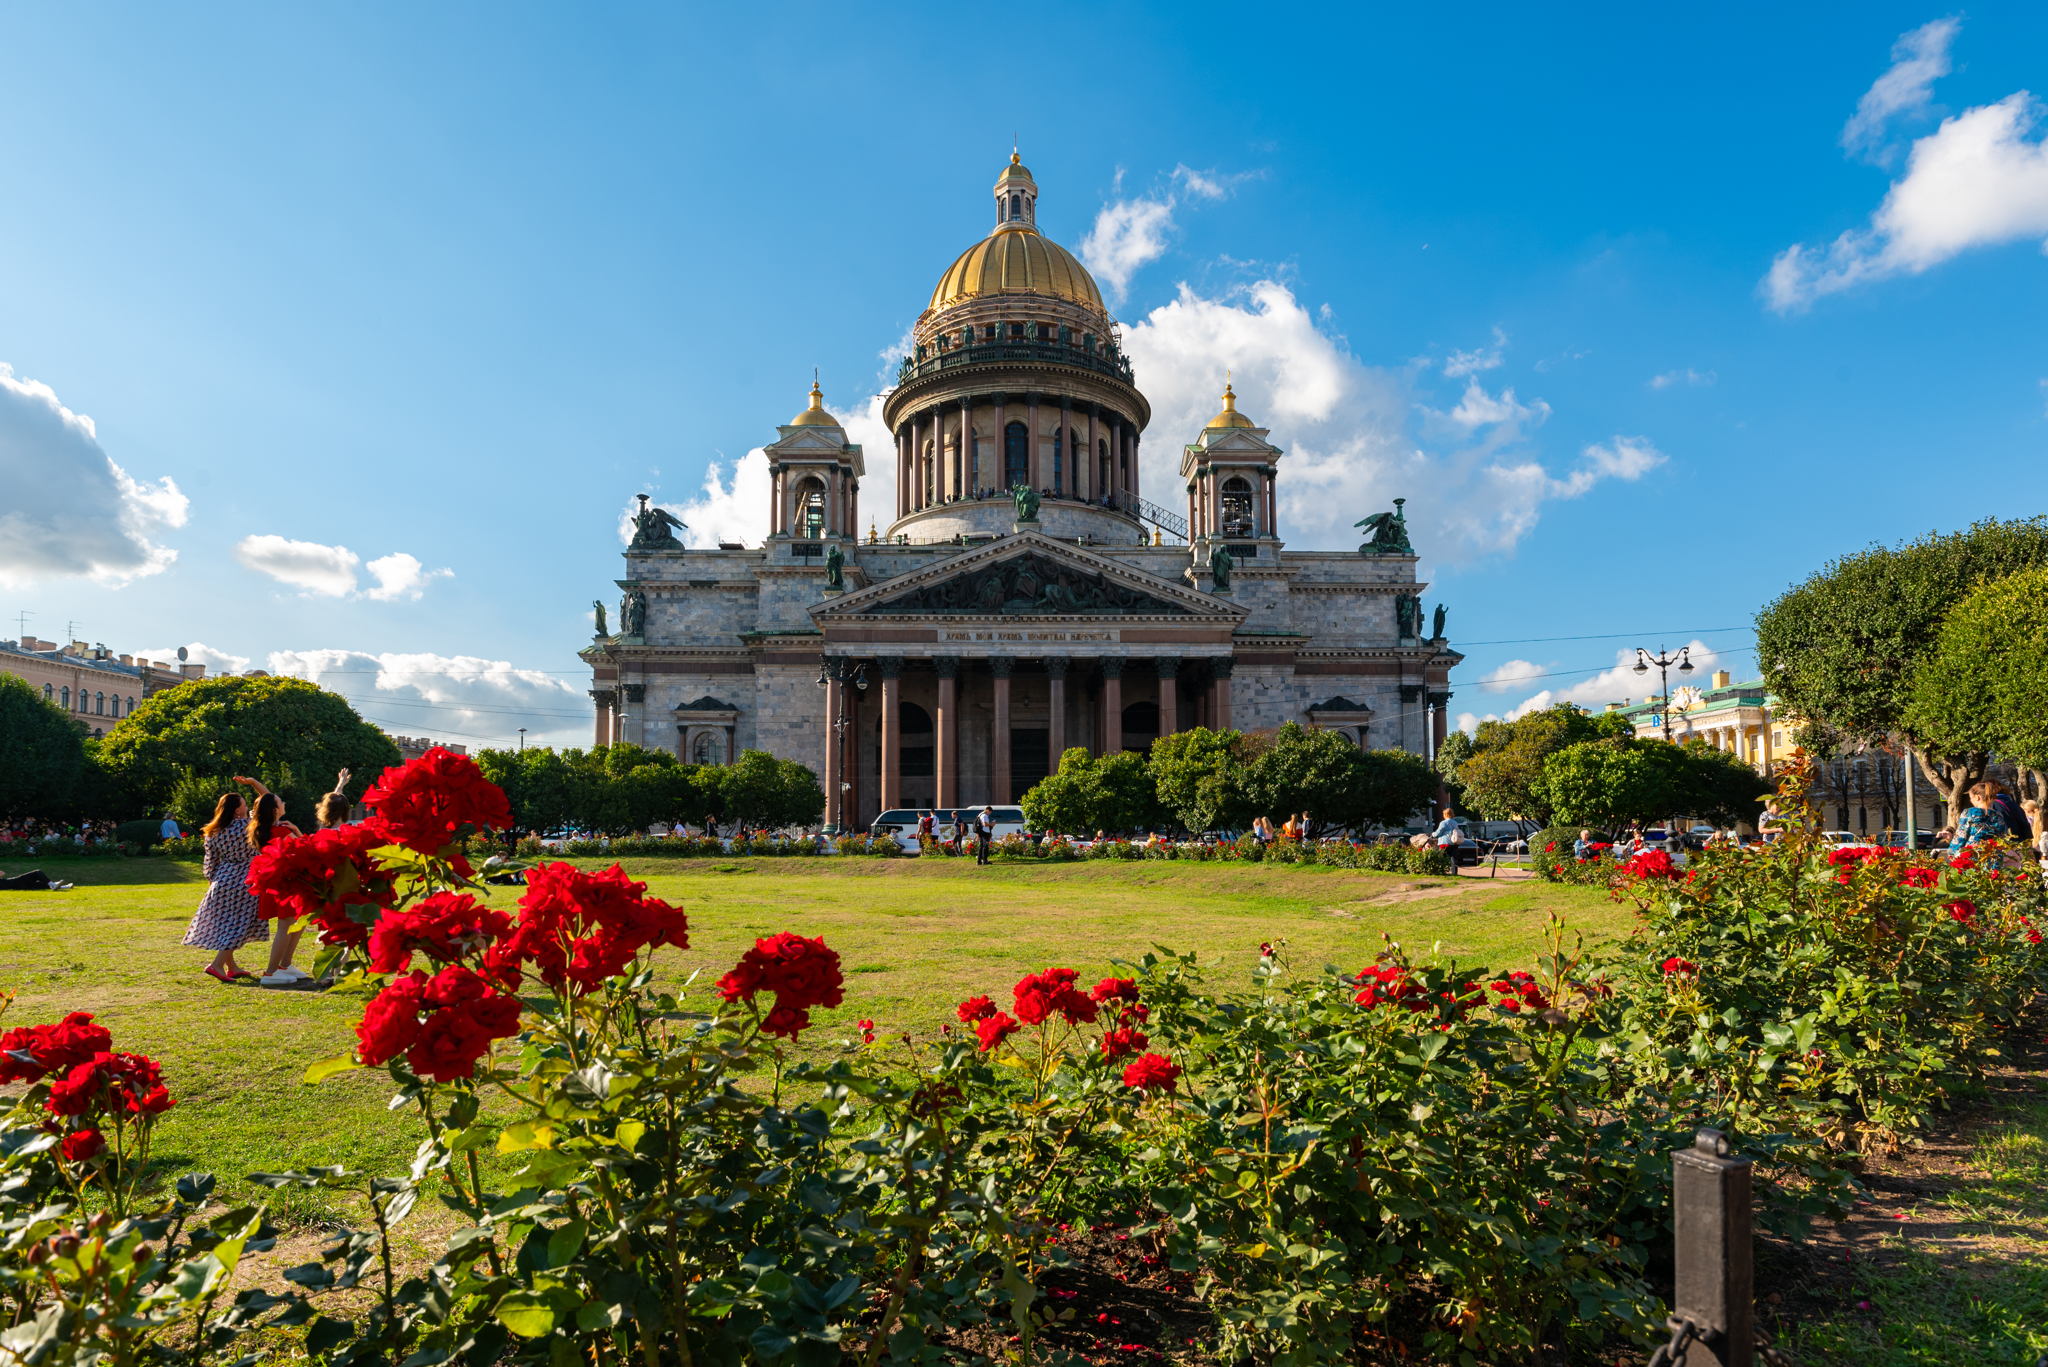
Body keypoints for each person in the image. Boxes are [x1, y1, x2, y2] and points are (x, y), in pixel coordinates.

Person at [260, 769, 346, 987]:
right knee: (295, 927)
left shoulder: (283, 827)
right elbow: (307, 849)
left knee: (307, 928)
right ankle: (275, 971)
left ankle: (286, 965)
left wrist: (340, 787)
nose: (284, 803)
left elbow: (330, 814)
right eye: (281, 801)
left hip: (303, 885)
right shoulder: (281, 830)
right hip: (300, 884)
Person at [182, 778, 270, 983]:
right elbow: (267, 800)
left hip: (222, 880)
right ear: (237, 810)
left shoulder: (212, 831)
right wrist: (254, 783)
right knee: (240, 925)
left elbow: (209, 862)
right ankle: (216, 965)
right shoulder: (248, 825)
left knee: (228, 924)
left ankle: (232, 966)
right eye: (244, 804)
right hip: (246, 879)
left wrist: (214, 881)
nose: (247, 807)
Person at [1949, 781, 2010, 854]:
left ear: (1977, 797)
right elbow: (2002, 837)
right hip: (1993, 856)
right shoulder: (1999, 815)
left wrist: (1952, 852)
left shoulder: (1969, 813)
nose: (1970, 800)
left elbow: (1961, 835)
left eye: (1971, 798)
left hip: (1973, 855)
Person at [1431, 807, 1468, 875]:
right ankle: (1454, 872)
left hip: (1444, 842)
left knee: (1441, 858)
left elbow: (1438, 832)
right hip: (1454, 843)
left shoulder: (1443, 823)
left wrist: (1433, 834)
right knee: (1453, 858)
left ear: (1445, 814)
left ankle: (1441, 871)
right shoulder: (1455, 823)